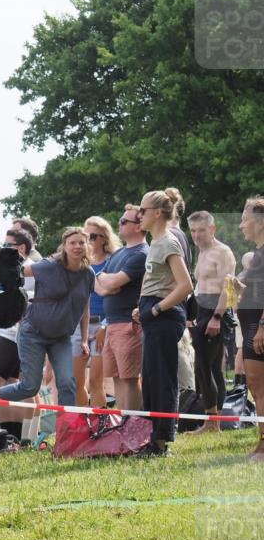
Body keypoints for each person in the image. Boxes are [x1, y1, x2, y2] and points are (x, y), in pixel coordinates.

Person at [0, 226, 94, 410]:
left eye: (81, 242)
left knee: (68, 384)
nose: (77, 246)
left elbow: (85, 306)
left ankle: (66, 435)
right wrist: (10, 299)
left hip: (61, 337)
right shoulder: (49, 266)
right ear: (65, 246)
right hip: (33, 333)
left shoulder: (88, 273)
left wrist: (84, 339)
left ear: (87, 245)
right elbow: (18, 272)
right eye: (72, 243)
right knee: (29, 387)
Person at [133, 189, 194, 456]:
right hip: (153, 315)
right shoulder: (156, 242)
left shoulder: (168, 242)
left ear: (157, 213)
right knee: (151, 378)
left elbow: (185, 286)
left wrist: (156, 309)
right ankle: (153, 437)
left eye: (142, 211)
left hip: (165, 318)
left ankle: (161, 441)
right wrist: (142, 308)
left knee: (162, 379)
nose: (138, 216)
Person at [94, 205, 149, 412]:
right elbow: (98, 284)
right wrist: (107, 283)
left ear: (138, 226)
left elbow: (107, 283)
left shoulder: (142, 253)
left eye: (124, 221)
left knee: (130, 377)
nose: (120, 223)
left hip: (129, 324)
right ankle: (124, 423)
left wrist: (107, 283)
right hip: (113, 324)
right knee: (116, 377)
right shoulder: (119, 254)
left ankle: (134, 424)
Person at [188, 210, 237, 432]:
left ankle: (212, 421)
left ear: (213, 229)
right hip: (202, 310)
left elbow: (229, 288)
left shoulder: (222, 252)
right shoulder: (202, 251)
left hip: (216, 311)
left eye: (202, 230)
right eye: (194, 231)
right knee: (209, 367)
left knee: (204, 367)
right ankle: (213, 420)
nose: (197, 235)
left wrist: (217, 316)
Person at [0, 229, 36, 438]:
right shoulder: (10, 265)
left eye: (8, 245)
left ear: (21, 247)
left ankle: (23, 437)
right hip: (8, 331)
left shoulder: (31, 267)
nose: (3, 249)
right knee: (12, 385)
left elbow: (34, 296)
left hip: (16, 333)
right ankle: (15, 437)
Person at [230, 196, 264, 461]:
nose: (241, 225)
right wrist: (237, 288)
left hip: (259, 327)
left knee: (259, 387)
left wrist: (262, 325)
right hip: (251, 324)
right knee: (256, 386)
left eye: (245, 218)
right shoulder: (257, 255)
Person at [74, 216, 119, 407]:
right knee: (76, 381)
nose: (88, 240)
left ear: (104, 238)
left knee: (95, 382)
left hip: (102, 323)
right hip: (79, 325)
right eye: (85, 235)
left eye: (92, 236)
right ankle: (83, 425)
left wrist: (106, 325)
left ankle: (100, 427)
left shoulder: (113, 262)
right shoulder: (79, 262)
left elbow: (118, 297)